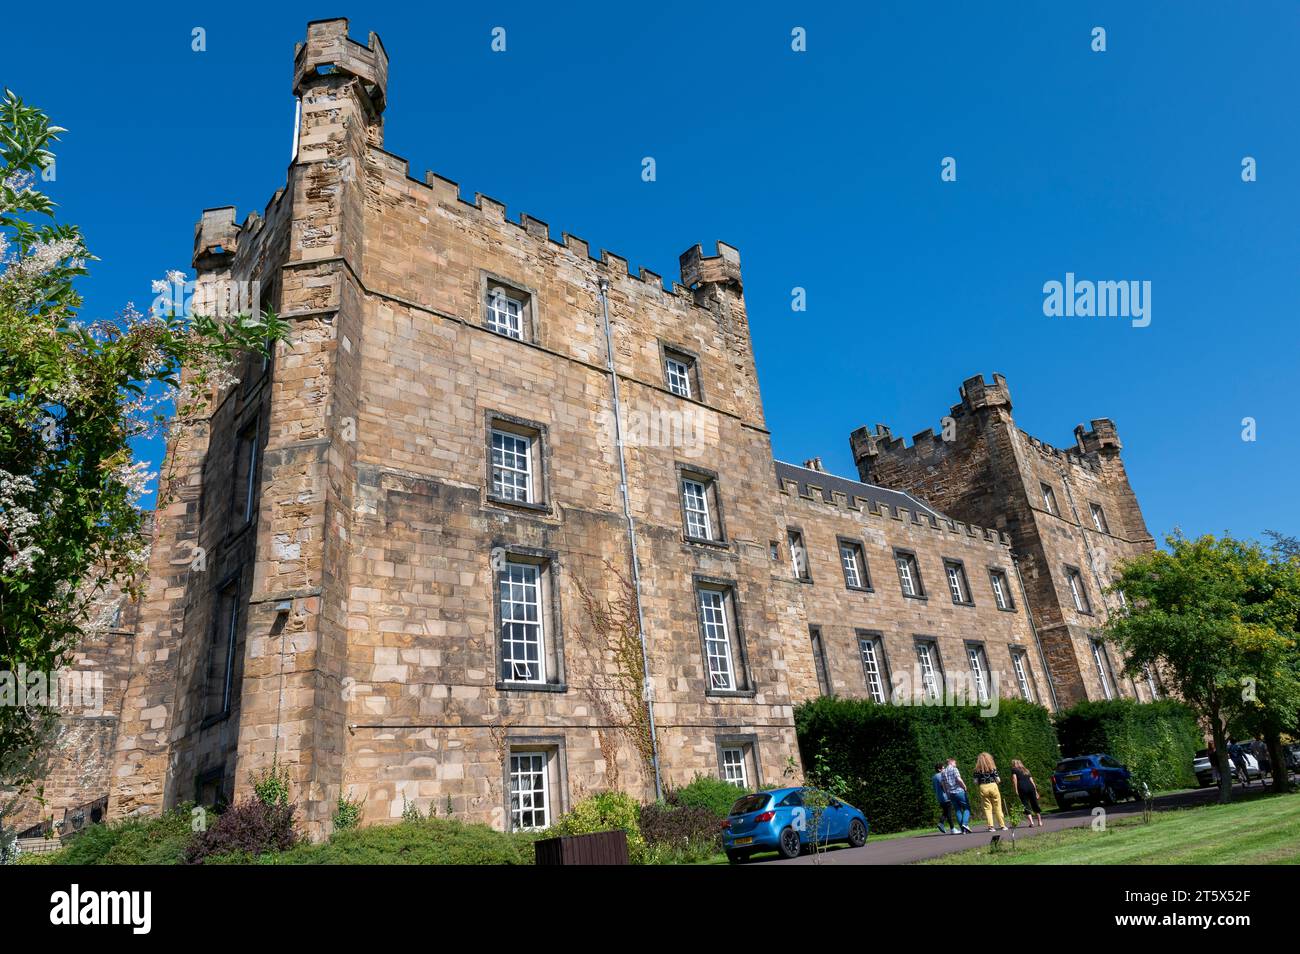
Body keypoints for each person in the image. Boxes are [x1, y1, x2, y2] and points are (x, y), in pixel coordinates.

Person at [973, 752, 1007, 832]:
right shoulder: (992, 768)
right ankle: (1002, 826)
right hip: (993, 786)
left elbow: (975, 782)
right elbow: (998, 780)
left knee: (987, 808)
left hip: (983, 787)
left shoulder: (977, 770)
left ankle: (991, 827)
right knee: (997, 807)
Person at [939, 757, 972, 833]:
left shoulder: (943, 772)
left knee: (957, 810)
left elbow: (943, 784)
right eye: (955, 763)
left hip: (951, 794)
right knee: (967, 808)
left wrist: (947, 793)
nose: (955, 764)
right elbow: (959, 779)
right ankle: (965, 824)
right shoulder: (954, 769)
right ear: (951, 762)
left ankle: (963, 829)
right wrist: (964, 786)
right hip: (959, 791)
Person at [1010, 758, 1043, 828]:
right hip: (1031, 787)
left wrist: (1015, 789)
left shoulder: (1014, 770)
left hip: (1022, 788)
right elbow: (1032, 781)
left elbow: (1014, 779)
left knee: (1025, 804)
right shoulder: (1026, 770)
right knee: (1034, 803)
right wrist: (1036, 791)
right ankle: (1040, 821)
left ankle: (1031, 822)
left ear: (1014, 764)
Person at [932, 761, 955, 834]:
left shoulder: (934, 777)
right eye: (943, 768)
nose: (944, 769)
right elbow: (943, 785)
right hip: (945, 797)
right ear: (939, 769)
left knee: (945, 812)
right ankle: (952, 828)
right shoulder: (941, 776)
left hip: (939, 797)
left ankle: (941, 823)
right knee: (949, 813)